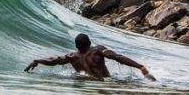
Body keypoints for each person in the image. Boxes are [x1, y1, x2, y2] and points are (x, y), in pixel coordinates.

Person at [24, 33, 154, 80]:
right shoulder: (98, 51)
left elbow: (55, 60)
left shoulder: (72, 57)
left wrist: (37, 61)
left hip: (83, 86)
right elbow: (117, 57)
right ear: (90, 43)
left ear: (76, 46)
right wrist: (139, 66)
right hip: (104, 82)